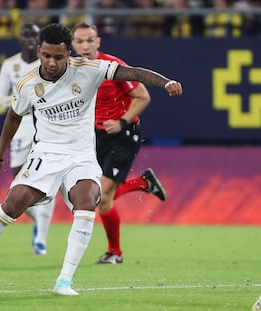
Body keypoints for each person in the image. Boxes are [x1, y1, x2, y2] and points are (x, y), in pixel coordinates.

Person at [0, 23, 183, 296]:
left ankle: (64, 281)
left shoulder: (88, 70)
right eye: (46, 56)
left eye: (58, 57)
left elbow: (134, 73)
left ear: (68, 53)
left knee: (88, 200)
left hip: (81, 155)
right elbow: (13, 116)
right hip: (46, 154)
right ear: (39, 51)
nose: (51, 62)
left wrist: (165, 82)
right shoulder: (28, 83)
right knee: (12, 205)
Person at [71, 22, 167, 265]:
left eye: (90, 40)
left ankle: (115, 252)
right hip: (96, 136)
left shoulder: (113, 67)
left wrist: (122, 121)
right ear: (72, 45)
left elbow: (143, 96)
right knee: (100, 199)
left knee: (100, 196)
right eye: (80, 41)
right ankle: (143, 183)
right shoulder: (71, 71)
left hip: (124, 133)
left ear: (98, 42)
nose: (85, 46)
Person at [0, 23, 55, 255]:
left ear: (40, 39)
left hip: (47, 126)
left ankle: (40, 239)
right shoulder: (11, 65)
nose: (30, 38)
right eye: (25, 34)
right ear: (20, 38)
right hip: (20, 126)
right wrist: (18, 101)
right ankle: (39, 219)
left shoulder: (48, 62)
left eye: (34, 34)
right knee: (18, 184)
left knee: (47, 183)